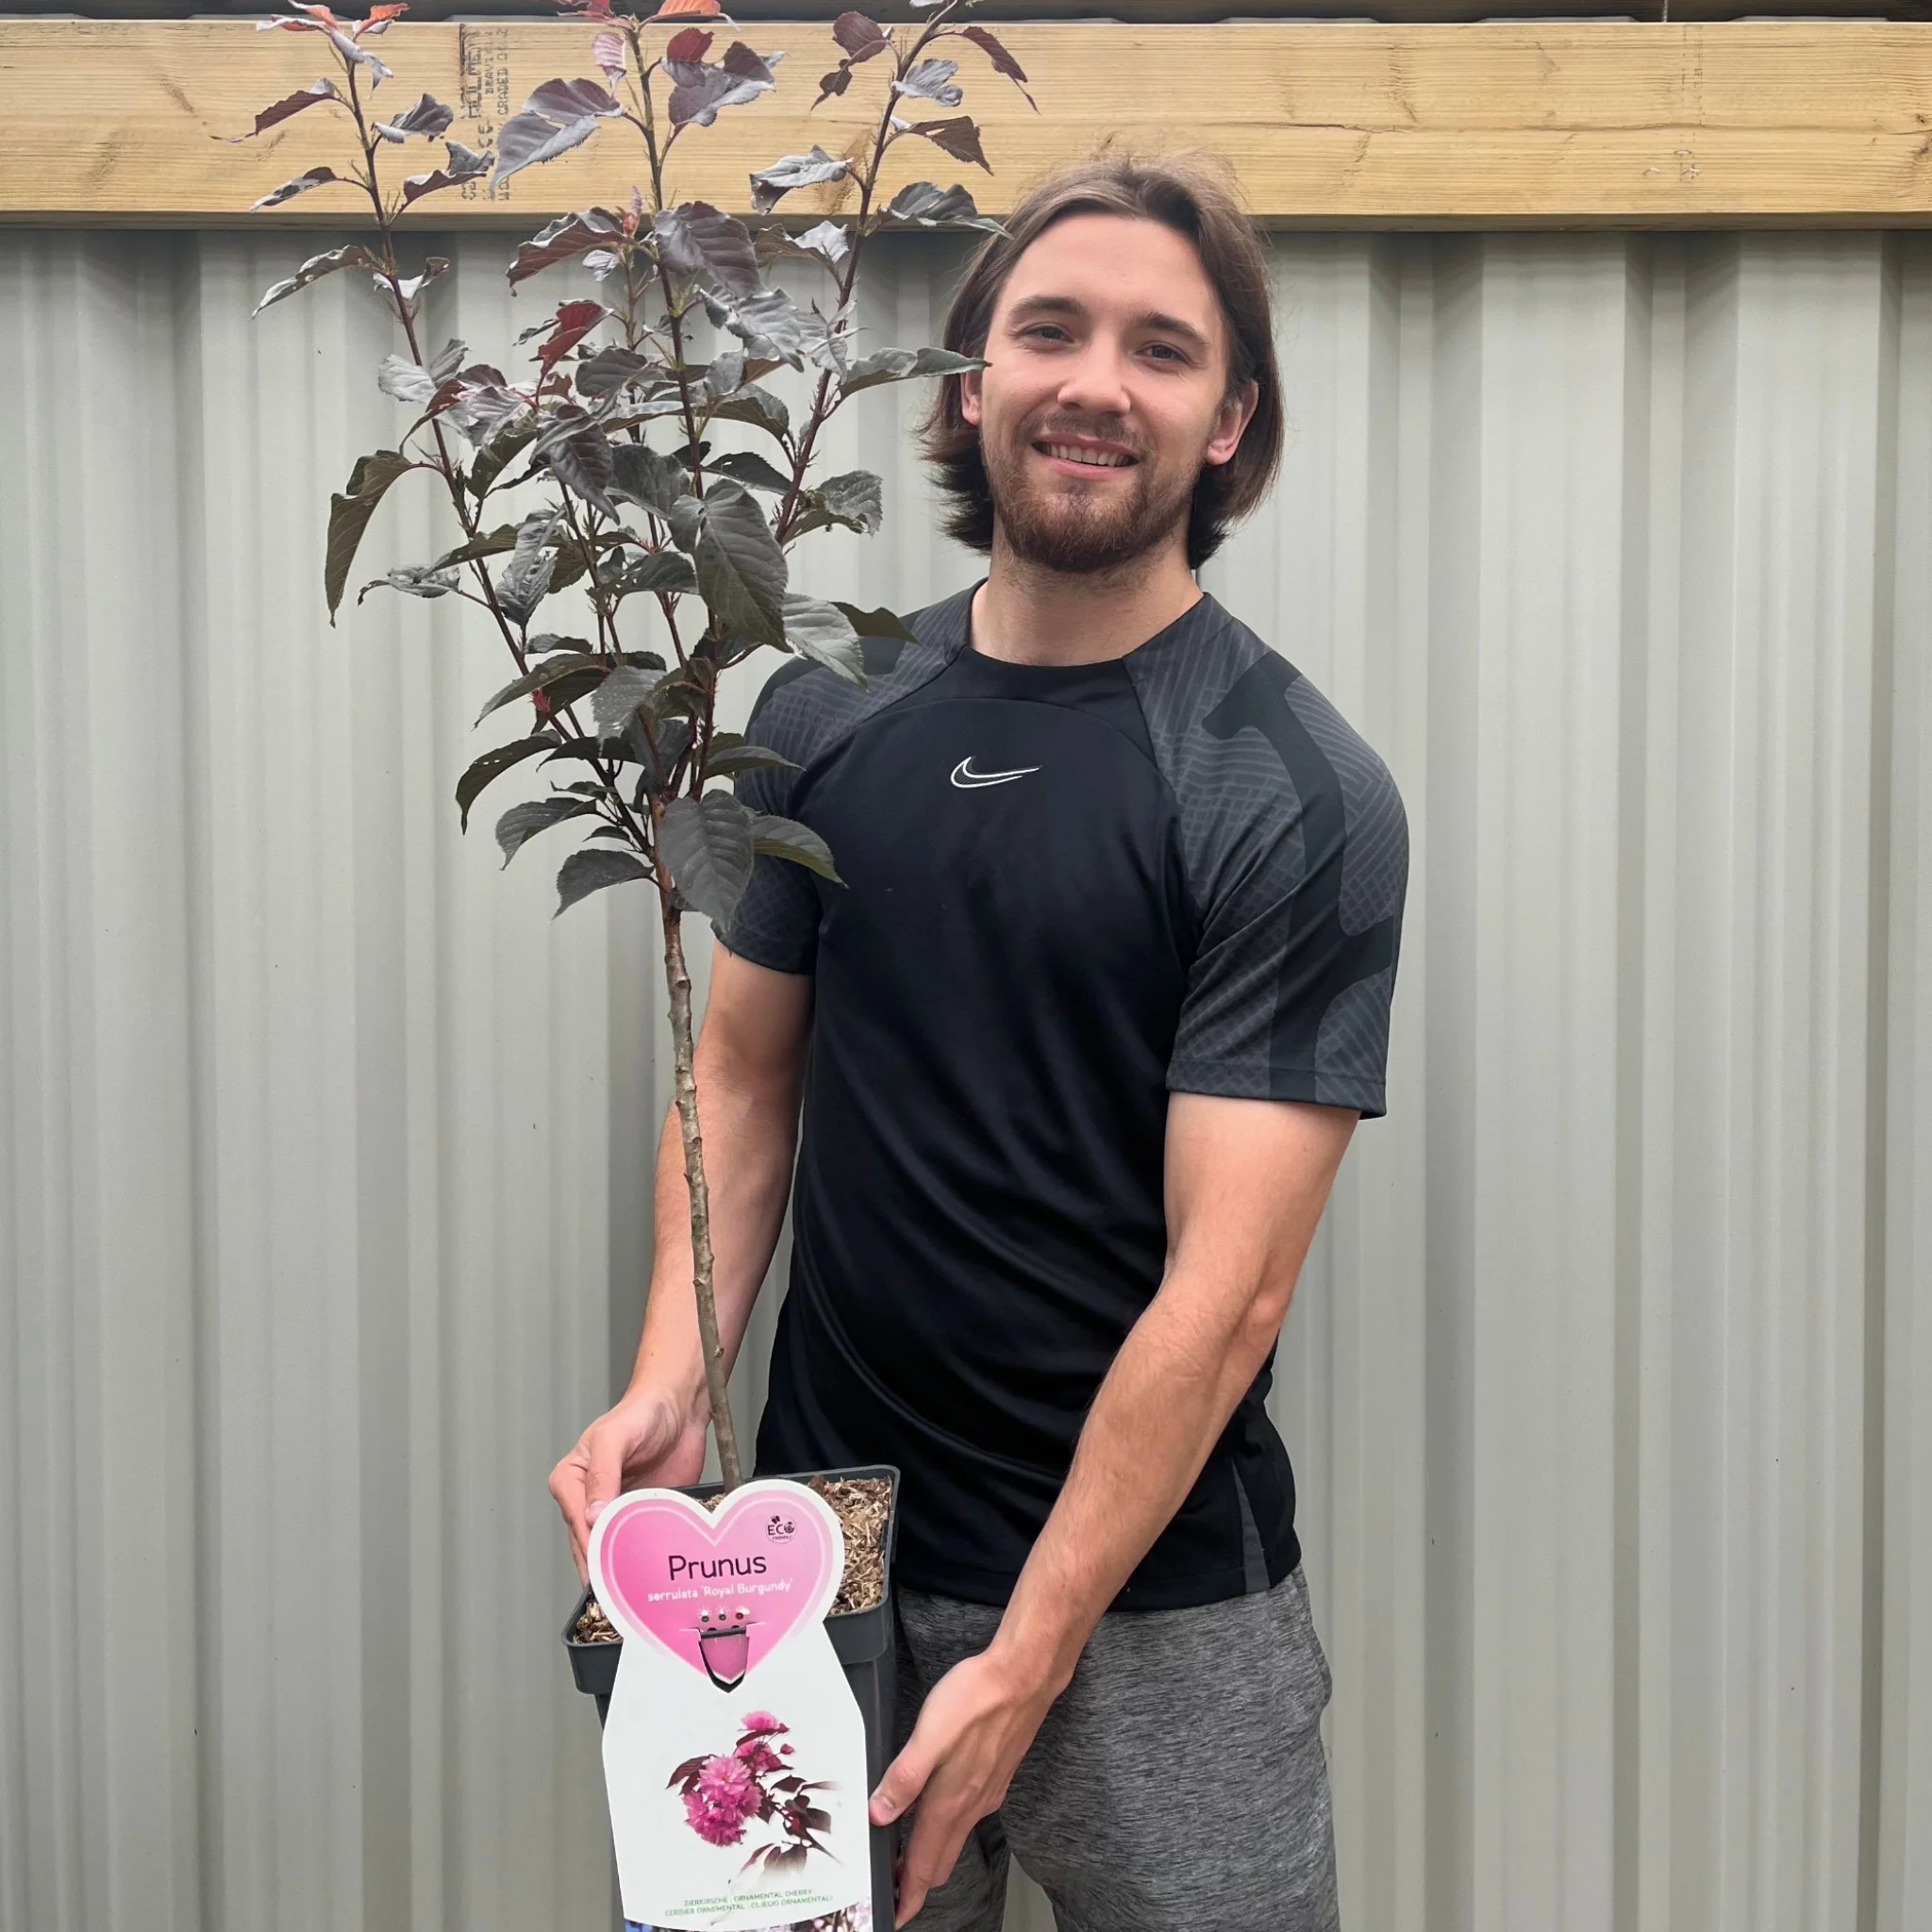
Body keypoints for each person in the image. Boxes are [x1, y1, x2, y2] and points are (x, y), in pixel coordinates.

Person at [551, 152, 1407, 1932]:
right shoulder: (822, 710)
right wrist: (674, 1380)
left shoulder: (1287, 786)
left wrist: (1028, 1658)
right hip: (823, 1565)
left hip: (1159, 1618)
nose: (1098, 383)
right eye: (1051, 330)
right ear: (969, 380)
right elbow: (743, 1078)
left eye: (1162, 349)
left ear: (1230, 421)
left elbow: (1230, 1292)